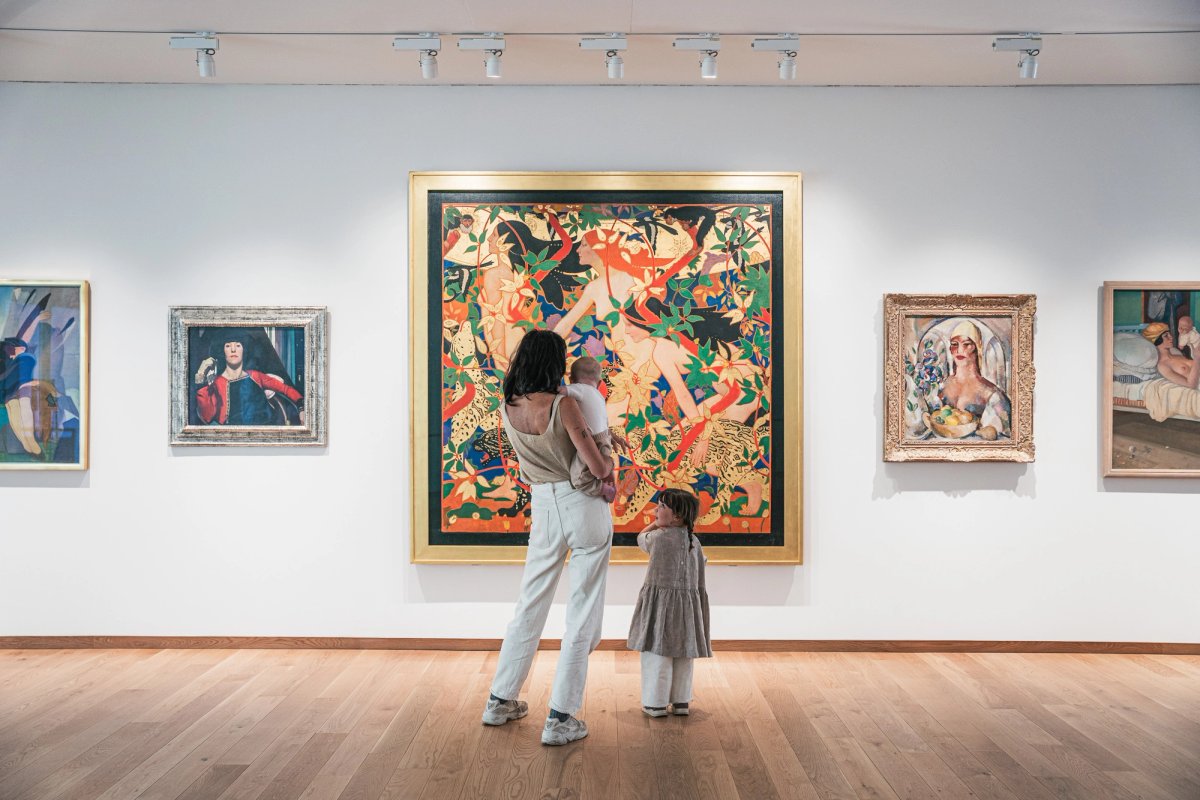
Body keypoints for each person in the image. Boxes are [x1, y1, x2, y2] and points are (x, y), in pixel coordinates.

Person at [482, 329, 615, 746]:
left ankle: (500, 700)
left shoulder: (510, 406)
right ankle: (560, 717)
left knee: (530, 603)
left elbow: (525, 466)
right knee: (582, 609)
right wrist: (608, 461)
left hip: (543, 505)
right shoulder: (564, 404)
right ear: (553, 362)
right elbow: (597, 467)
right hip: (581, 506)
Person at [626, 488, 711, 717]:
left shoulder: (658, 538)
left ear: (677, 517)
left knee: (658, 652)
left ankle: (655, 703)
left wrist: (654, 524)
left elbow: (640, 538)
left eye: (661, 507)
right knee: (684, 654)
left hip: (662, 608)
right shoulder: (695, 541)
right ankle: (681, 701)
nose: (656, 509)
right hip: (688, 608)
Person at [194, 330, 303, 425]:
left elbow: (285, 389)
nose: (233, 350)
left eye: (238, 345)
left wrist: (301, 408)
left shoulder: (255, 376)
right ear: (223, 351)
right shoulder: (217, 383)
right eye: (228, 346)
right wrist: (200, 376)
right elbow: (206, 416)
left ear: (244, 349)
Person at [563, 356, 628, 502]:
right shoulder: (598, 395)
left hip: (592, 440)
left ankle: (604, 489)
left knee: (578, 478)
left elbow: (558, 392)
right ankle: (608, 474)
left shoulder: (578, 389)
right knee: (601, 464)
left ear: (571, 379)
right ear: (599, 383)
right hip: (605, 437)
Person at [937, 320, 1012, 440]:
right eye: (954, 344)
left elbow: (1004, 436)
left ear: (977, 349)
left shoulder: (991, 394)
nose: (959, 350)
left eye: (966, 344)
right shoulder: (942, 386)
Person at [1143, 322, 1200, 389]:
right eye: (1166, 336)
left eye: (1169, 333)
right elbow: (1190, 385)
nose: (1171, 337)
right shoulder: (1163, 366)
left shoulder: (1177, 354)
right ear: (1157, 340)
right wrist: (1197, 359)